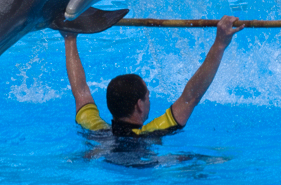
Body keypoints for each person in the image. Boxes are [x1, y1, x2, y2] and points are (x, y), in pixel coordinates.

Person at [63, 15, 244, 137]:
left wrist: (69, 37)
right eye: (147, 96)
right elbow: (192, 96)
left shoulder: (95, 129)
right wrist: (220, 44)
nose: (149, 99)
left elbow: (80, 90)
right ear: (139, 105)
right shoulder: (151, 134)